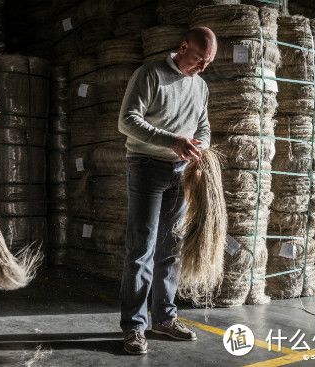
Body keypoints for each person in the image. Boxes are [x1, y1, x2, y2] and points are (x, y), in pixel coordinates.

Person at [117, 27, 217, 354]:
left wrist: (199, 147)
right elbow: (127, 121)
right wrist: (172, 140)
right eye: (199, 59)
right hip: (146, 166)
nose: (202, 68)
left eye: (209, 62)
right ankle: (134, 326)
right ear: (183, 46)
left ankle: (164, 318)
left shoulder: (200, 86)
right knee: (142, 248)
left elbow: (203, 126)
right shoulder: (149, 74)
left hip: (181, 171)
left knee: (171, 247)